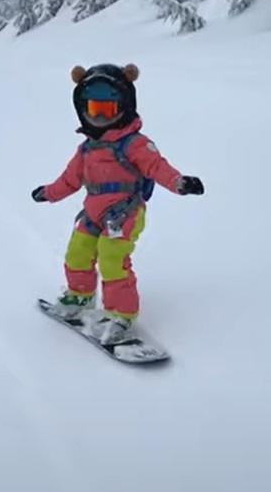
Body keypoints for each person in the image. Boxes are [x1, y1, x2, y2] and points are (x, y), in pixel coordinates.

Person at [31, 63, 205, 343]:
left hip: (124, 213)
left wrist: (179, 182)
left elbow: (157, 167)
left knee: (112, 258)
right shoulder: (86, 149)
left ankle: (120, 316)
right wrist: (48, 193)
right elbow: (69, 180)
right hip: (92, 213)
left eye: (107, 111)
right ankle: (79, 297)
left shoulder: (134, 144)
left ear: (124, 107)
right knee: (78, 252)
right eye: (93, 110)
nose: (99, 118)